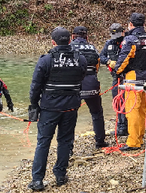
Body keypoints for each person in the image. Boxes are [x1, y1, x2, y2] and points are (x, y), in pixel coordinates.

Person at [27, 27, 87, 191]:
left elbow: (35, 86)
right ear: (70, 40)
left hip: (50, 108)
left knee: (43, 142)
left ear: (53, 42)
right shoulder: (80, 59)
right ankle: (60, 175)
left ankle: (38, 180)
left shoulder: (46, 60)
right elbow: (81, 78)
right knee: (65, 141)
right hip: (70, 108)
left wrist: (33, 105)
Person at [114, 13, 146, 151]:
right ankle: (140, 137)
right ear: (143, 24)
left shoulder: (131, 39)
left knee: (132, 111)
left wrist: (117, 71)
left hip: (133, 77)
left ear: (130, 24)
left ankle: (133, 142)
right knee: (142, 109)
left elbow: (124, 58)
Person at [70, 26, 108, 148]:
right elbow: (98, 63)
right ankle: (100, 141)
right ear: (86, 37)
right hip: (91, 82)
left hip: (74, 84)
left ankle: (68, 147)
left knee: (69, 115)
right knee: (97, 112)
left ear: (72, 37)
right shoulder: (92, 48)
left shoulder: (69, 48)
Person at [99, 23, 128, 136]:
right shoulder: (109, 43)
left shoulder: (127, 42)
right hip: (115, 77)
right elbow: (101, 56)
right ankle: (120, 126)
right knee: (117, 101)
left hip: (127, 77)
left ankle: (128, 125)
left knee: (127, 101)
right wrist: (108, 62)